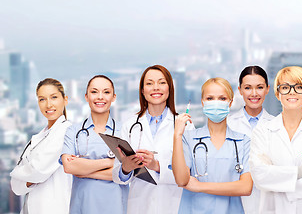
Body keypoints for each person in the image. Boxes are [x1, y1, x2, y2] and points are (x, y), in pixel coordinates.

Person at [112, 65, 190, 214]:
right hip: (140, 206)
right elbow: (117, 177)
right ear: (142, 90)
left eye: (161, 82)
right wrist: (126, 168)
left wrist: (157, 166)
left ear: (169, 88)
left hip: (173, 205)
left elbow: (188, 174)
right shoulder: (129, 125)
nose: (155, 88)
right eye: (149, 83)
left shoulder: (184, 125)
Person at [172, 77, 253, 213]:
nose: (216, 103)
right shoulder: (188, 139)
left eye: (222, 98)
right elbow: (181, 180)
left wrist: (200, 186)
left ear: (230, 102)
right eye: (210, 98)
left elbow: (246, 187)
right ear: (203, 103)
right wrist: (177, 135)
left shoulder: (242, 141)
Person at [250, 66, 302, 214]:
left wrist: (277, 176)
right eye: (285, 87)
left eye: (299, 87)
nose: (292, 91)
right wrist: (300, 173)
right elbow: (260, 175)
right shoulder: (263, 132)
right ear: (277, 93)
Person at [61, 75, 128, 214]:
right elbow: (69, 167)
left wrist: (83, 170)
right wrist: (111, 162)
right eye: (94, 92)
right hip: (83, 206)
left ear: (114, 97)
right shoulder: (73, 131)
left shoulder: (125, 131)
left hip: (116, 207)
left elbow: (126, 174)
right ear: (86, 97)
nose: (100, 97)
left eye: (106, 92)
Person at [11, 78, 73, 214]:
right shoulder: (39, 137)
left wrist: (16, 173)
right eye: (42, 99)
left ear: (65, 100)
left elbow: (38, 171)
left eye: (54, 97)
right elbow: (15, 187)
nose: (48, 104)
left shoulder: (66, 132)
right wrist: (26, 179)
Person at [228, 65, 275, 214]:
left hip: (268, 201)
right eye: (248, 88)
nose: (254, 93)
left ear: (267, 89)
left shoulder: (277, 126)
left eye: (259, 87)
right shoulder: (228, 124)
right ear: (240, 90)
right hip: (234, 201)